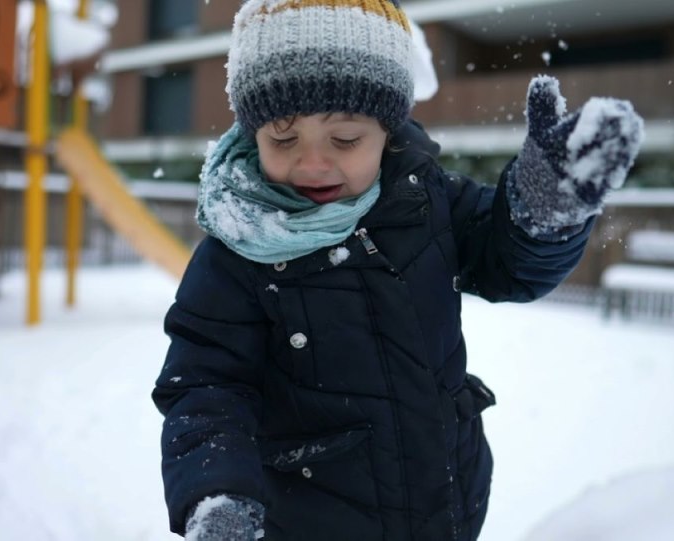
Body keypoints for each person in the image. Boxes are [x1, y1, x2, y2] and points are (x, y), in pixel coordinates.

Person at [152, 1, 643, 540]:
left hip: (447, 495)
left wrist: (541, 212)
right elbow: (206, 388)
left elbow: (509, 266)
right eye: (283, 139)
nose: (313, 163)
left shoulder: (427, 198)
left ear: (387, 131)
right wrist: (218, 495)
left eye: (345, 139)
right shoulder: (238, 249)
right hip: (313, 521)